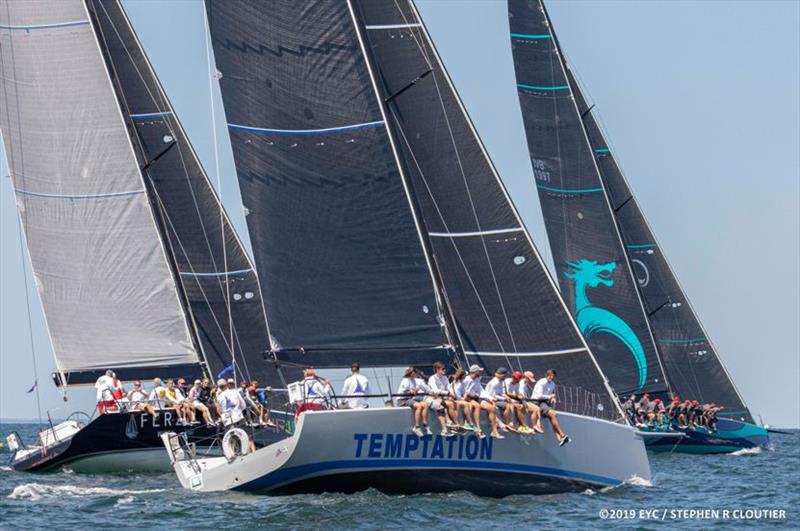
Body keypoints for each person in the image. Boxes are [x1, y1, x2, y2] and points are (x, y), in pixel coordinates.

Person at [531, 369, 570, 446]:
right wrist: (549, 397)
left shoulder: (552, 384)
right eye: (550, 375)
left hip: (544, 403)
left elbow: (552, 394)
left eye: (553, 376)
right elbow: (538, 396)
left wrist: (553, 398)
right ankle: (562, 435)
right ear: (547, 375)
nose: (551, 377)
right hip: (537, 402)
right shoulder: (542, 382)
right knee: (553, 414)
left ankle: (560, 439)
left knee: (552, 417)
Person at [396, 366, 429, 436]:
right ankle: (417, 427)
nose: (416, 374)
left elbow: (413, 392)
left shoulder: (414, 381)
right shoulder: (405, 380)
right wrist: (410, 392)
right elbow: (403, 392)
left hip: (410, 399)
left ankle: (425, 424)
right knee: (419, 406)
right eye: (414, 372)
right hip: (402, 400)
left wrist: (415, 391)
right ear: (411, 373)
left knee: (425, 404)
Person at [479, 367, 509, 439]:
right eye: (504, 375)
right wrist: (503, 399)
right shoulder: (494, 383)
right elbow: (493, 396)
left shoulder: (501, 382)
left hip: (496, 399)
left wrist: (505, 397)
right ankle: (498, 426)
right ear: (500, 375)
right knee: (494, 408)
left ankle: (506, 424)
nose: (505, 377)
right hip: (489, 399)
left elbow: (500, 393)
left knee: (509, 406)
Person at [427, 361, 455, 436]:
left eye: (445, 369)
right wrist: (448, 393)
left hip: (441, 398)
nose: (445, 370)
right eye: (443, 369)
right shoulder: (432, 378)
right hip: (431, 398)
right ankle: (445, 428)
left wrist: (451, 393)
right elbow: (435, 391)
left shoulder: (445, 377)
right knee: (442, 406)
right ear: (437, 369)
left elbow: (448, 387)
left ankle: (454, 425)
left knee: (453, 403)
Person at [463, 364, 485, 435]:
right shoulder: (466, 380)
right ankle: (470, 425)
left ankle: (478, 427)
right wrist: (470, 394)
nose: (480, 373)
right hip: (466, 398)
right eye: (479, 371)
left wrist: (477, 395)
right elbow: (462, 390)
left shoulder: (477, 379)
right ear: (475, 372)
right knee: (477, 406)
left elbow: (479, 390)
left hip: (475, 397)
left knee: (489, 407)